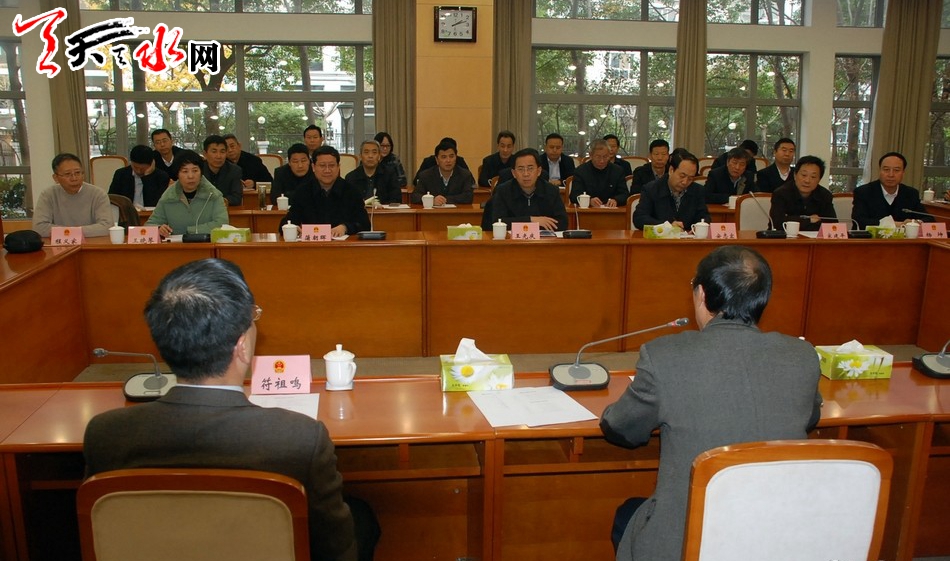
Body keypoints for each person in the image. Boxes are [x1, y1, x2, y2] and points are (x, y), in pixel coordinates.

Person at [83, 258, 380, 561]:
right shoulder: (299, 439)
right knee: (362, 518)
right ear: (242, 346)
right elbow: (336, 550)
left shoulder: (104, 434)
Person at [600, 245, 822, 561]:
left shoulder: (665, 355)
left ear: (701, 294)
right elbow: (810, 418)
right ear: (762, 299)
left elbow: (622, 428)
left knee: (628, 514)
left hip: (687, 540)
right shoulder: (801, 356)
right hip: (774, 534)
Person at [283, 145, 370, 237]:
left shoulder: (352, 191)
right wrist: (293, 228)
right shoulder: (303, 192)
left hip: (342, 244)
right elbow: (287, 222)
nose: (327, 170)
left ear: (338, 167)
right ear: (313, 167)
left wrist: (345, 227)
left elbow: (365, 225)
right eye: (322, 166)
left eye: (331, 165)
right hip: (312, 244)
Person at [146, 150, 228, 237]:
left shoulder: (213, 195)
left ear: (201, 173)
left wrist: (190, 231)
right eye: (185, 171)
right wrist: (159, 229)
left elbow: (222, 224)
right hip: (176, 245)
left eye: (195, 171)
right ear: (177, 174)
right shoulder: (168, 197)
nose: (190, 176)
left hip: (207, 243)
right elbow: (150, 225)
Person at [32, 153, 112, 238]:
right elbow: (39, 228)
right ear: (56, 178)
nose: (74, 178)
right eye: (67, 174)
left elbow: (107, 227)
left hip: (90, 244)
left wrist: (69, 232)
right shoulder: (48, 195)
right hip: (60, 245)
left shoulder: (98, 194)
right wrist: (74, 232)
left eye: (77, 173)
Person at [489, 148, 568, 231]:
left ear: (539, 171)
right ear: (514, 173)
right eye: (521, 169)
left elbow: (562, 223)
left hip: (543, 238)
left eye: (530, 168)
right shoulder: (503, 191)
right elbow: (497, 222)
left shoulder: (551, 190)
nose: (526, 174)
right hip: (512, 239)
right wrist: (531, 220)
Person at [852, 152, 935, 228]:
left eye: (896, 170)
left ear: (903, 172)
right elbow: (859, 221)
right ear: (879, 170)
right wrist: (897, 224)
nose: (891, 175)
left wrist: (916, 222)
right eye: (886, 170)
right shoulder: (863, 192)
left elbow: (929, 219)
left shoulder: (911, 193)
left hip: (903, 239)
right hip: (871, 238)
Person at [633, 149, 710, 230]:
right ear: (671, 170)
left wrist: (697, 227)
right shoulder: (651, 189)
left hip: (687, 237)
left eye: (690, 178)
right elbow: (639, 218)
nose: (685, 182)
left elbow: (704, 216)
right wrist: (666, 226)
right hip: (660, 236)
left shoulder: (698, 190)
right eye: (682, 176)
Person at [770, 155, 836, 231]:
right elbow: (778, 223)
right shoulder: (781, 194)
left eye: (813, 177)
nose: (807, 180)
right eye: (804, 175)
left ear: (819, 180)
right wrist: (809, 220)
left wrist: (794, 221)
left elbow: (832, 224)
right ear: (795, 175)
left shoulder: (825, 195)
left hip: (814, 238)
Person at [412, 140, 476, 205]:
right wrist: (432, 200)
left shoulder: (465, 175)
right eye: (444, 157)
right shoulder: (426, 175)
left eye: (451, 156)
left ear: (456, 157)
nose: (448, 160)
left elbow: (468, 197)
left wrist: (444, 200)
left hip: (457, 211)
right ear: (437, 160)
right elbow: (415, 197)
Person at [569, 139, 628, 207]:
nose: (602, 161)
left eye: (605, 157)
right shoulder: (581, 171)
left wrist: (616, 200)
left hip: (611, 209)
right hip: (589, 209)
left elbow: (624, 194)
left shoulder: (617, 171)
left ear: (609, 155)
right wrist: (589, 201)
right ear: (591, 155)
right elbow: (574, 196)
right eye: (598, 157)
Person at [108, 144, 170, 208]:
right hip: (126, 213)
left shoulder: (161, 177)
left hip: (150, 213)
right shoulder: (121, 174)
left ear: (151, 164)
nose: (138, 171)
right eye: (135, 167)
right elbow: (112, 199)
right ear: (131, 162)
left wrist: (147, 177)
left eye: (143, 169)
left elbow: (155, 203)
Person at [345, 140, 401, 205]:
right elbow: (347, 202)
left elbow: (396, 199)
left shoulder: (389, 175)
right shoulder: (351, 177)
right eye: (366, 152)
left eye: (374, 152)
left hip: (383, 211)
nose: (370, 156)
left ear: (379, 156)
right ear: (360, 156)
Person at [202, 134, 244, 207]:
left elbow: (237, 197)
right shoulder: (198, 170)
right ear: (205, 154)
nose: (219, 156)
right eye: (214, 151)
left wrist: (223, 201)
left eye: (222, 151)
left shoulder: (234, 171)